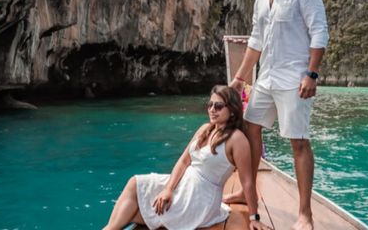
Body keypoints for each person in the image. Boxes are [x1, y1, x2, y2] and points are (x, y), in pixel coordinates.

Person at [226, 0, 329, 230]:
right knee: (250, 130)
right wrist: (240, 78)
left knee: (298, 142)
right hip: (266, 78)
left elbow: (319, 33)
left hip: (294, 78)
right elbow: (255, 42)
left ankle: (305, 214)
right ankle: (250, 193)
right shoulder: (261, 0)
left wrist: (312, 74)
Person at [102, 85, 268, 230]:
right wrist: (168, 189)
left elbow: (247, 182)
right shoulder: (206, 129)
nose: (212, 109)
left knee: (132, 212)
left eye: (218, 106)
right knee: (135, 183)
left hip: (200, 198)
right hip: (182, 186)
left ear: (232, 111)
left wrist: (254, 218)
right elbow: (183, 161)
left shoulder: (237, 139)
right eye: (210, 105)